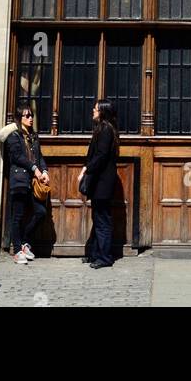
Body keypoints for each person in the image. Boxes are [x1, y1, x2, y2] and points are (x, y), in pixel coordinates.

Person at [5, 103, 50, 263]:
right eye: (27, 116)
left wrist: (44, 171)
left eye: (31, 115)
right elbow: (17, 157)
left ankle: (24, 242)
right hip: (20, 180)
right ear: (19, 118)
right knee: (17, 216)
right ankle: (17, 251)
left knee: (40, 212)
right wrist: (34, 168)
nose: (31, 118)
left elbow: (39, 156)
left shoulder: (33, 136)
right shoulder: (14, 136)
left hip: (34, 182)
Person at [78, 100, 119, 269]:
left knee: (102, 220)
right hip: (101, 183)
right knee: (98, 218)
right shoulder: (103, 129)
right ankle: (95, 254)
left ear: (102, 112)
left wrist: (86, 169)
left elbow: (101, 156)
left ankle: (105, 257)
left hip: (102, 183)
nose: (93, 111)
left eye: (95, 109)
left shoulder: (105, 130)